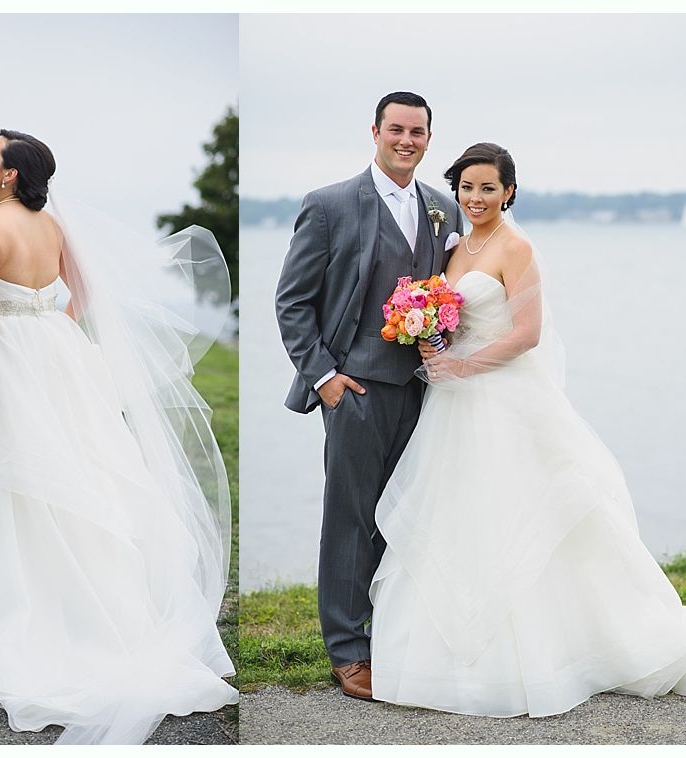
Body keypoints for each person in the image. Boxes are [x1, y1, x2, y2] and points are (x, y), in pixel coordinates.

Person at [0, 130, 239, 744]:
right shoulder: (56, 226)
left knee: (15, 475)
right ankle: (104, 610)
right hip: (59, 355)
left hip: (8, 356)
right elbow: (82, 295)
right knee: (81, 470)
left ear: (9, 175)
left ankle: (20, 614)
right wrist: (47, 329)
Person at [369, 142, 686, 716]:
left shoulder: (516, 247)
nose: (476, 197)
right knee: (460, 513)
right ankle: (445, 653)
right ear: (455, 190)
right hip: (454, 403)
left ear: (509, 190)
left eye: (488, 187)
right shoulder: (456, 247)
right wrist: (432, 334)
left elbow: (526, 334)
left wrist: (462, 364)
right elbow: (455, 315)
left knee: (519, 512)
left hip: (501, 398)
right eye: (467, 187)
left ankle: (555, 650)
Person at [274, 92, 464, 700]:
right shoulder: (329, 205)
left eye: (418, 132)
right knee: (351, 518)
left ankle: (399, 635)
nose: (407, 140)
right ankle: (348, 649)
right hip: (354, 388)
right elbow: (293, 301)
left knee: (409, 516)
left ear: (430, 139)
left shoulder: (442, 209)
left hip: (425, 390)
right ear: (375, 132)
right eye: (396, 129)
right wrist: (324, 377)